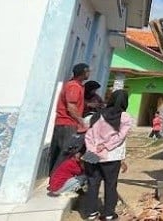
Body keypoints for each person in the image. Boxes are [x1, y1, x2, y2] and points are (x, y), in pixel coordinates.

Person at [83, 89, 132, 221]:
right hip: (111, 156)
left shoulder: (96, 115)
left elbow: (88, 135)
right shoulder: (124, 117)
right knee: (110, 184)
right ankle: (109, 214)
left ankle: (90, 213)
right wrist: (106, 146)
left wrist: (93, 149)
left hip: (92, 153)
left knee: (92, 183)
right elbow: (120, 137)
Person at [50, 63, 90, 175]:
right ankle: (57, 177)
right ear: (83, 73)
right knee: (66, 152)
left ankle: (55, 176)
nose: (89, 74)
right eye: (87, 72)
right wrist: (81, 120)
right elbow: (71, 106)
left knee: (62, 152)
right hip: (67, 123)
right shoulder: (74, 86)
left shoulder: (76, 85)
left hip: (66, 123)